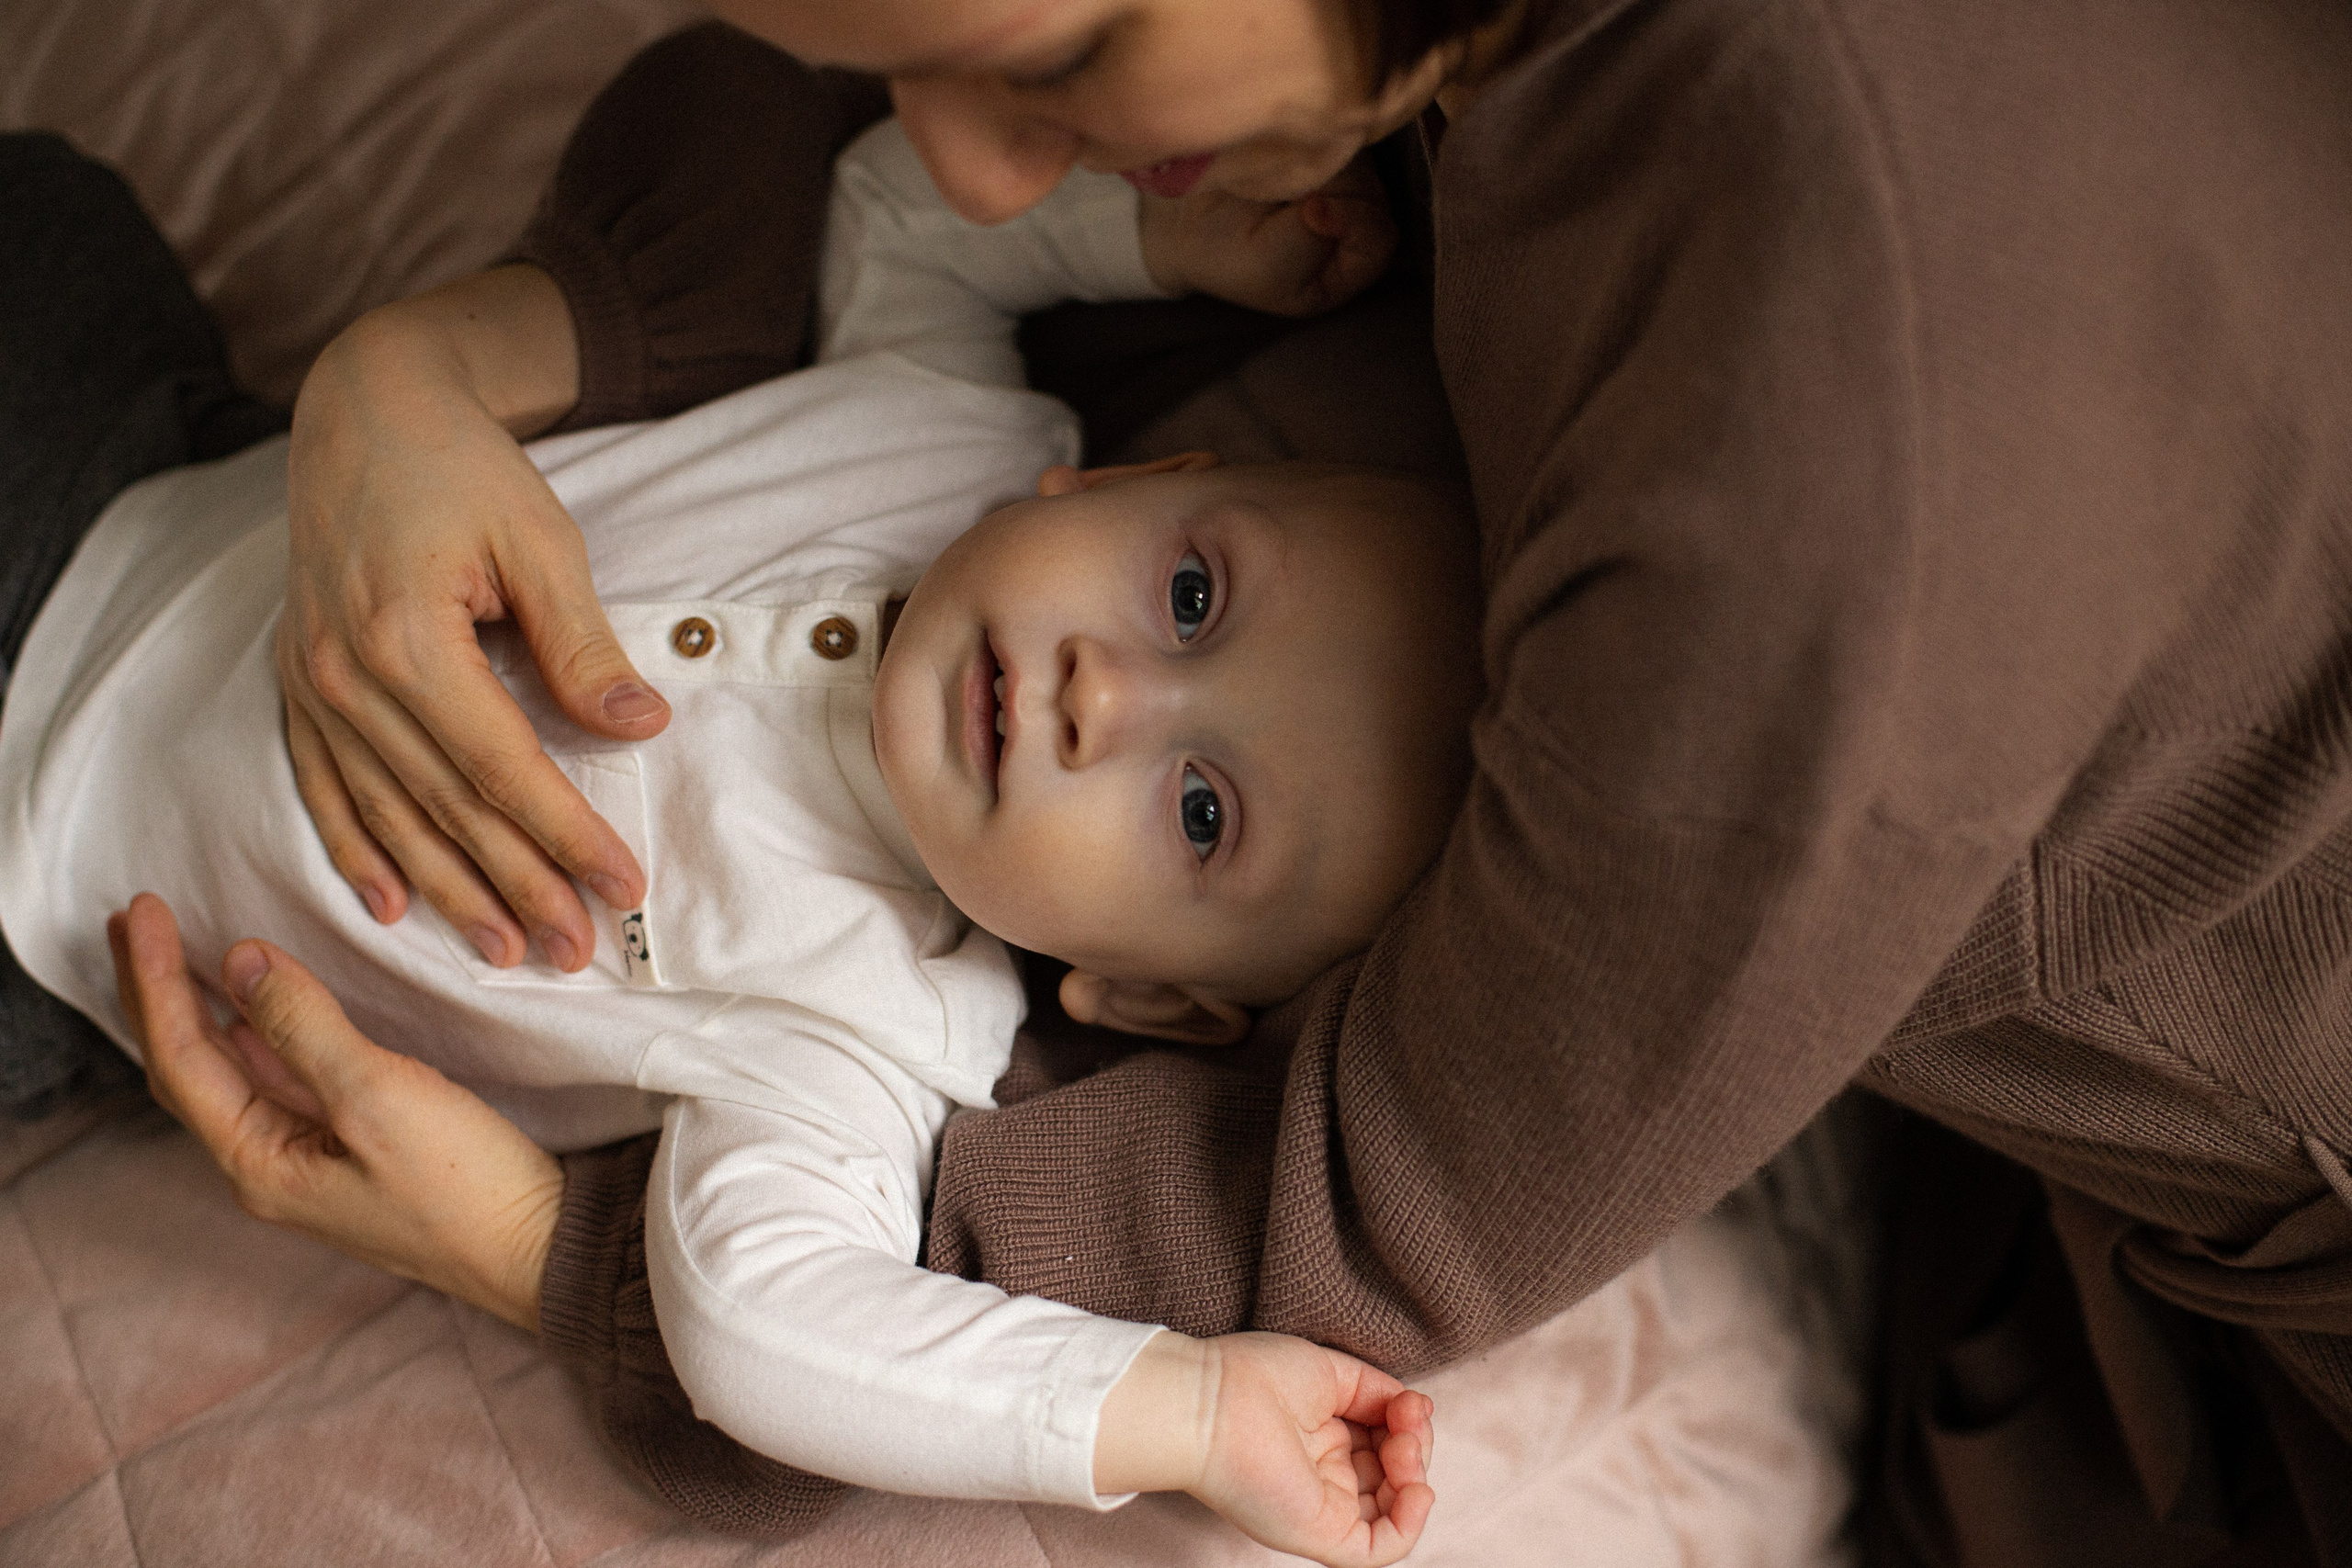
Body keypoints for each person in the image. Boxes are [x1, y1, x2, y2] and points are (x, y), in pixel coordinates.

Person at [112, 2, 2352, 1561]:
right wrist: (438, 360)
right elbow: (854, 185)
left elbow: (1289, 1227)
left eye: (1061, 63)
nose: (972, 153)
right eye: (1190, 583)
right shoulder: (1055, 369)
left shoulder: (1815, 533)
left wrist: (566, 1254)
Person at [0, 121, 1459, 1565]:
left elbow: (758, 1325)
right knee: (49, 202)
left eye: (1202, 812)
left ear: (1141, 994)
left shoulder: (865, 1034)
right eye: (1193, 596)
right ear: (1135, 486)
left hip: (40, 899)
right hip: (128, 476)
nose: (1109, 693)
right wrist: (1166, 237)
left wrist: (1188, 1412)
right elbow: (897, 206)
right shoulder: (944, 425)